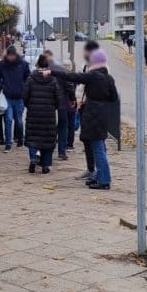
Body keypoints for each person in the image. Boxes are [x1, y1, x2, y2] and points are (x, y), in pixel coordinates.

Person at [50, 48, 118, 190]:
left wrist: (52, 72)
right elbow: (113, 97)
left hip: (92, 114)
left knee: (97, 149)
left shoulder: (92, 76)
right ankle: (99, 176)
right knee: (99, 147)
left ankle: (104, 180)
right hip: (103, 115)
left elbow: (72, 76)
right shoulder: (109, 78)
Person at [23, 55, 60, 174]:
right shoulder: (53, 79)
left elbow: (25, 96)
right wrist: (53, 107)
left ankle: (33, 158)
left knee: (33, 137)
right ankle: (45, 166)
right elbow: (58, 98)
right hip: (48, 114)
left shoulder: (31, 78)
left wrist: (29, 105)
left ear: (37, 64)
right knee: (47, 139)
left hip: (33, 112)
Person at [0, 45, 31, 152]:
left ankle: (20, 138)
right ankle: (8, 143)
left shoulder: (23, 64)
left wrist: (24, 87)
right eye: (9, 55)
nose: (11, 57)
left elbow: (28, 77)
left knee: (19, 120)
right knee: (8, 119)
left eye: (12, 55)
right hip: (7, 96)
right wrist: (2, 86)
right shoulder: (2, 64)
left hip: (19, 97)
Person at [76, 40, 100, 181]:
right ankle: (90, 168)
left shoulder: (98, 69)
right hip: (84, 107)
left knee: (95, 142)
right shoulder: (86, 66)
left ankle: (97, 171)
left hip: (92, 109)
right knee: (86, 140)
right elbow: (82, 86)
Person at [53, 58, 76, 161]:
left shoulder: (54, 74)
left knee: (54, 127)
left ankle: (50, 148)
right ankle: (61, 151)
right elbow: (70, 88)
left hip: (54, 104)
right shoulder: (66, 75)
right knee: (63, 127)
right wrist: (73, 100)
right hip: (62, 105)